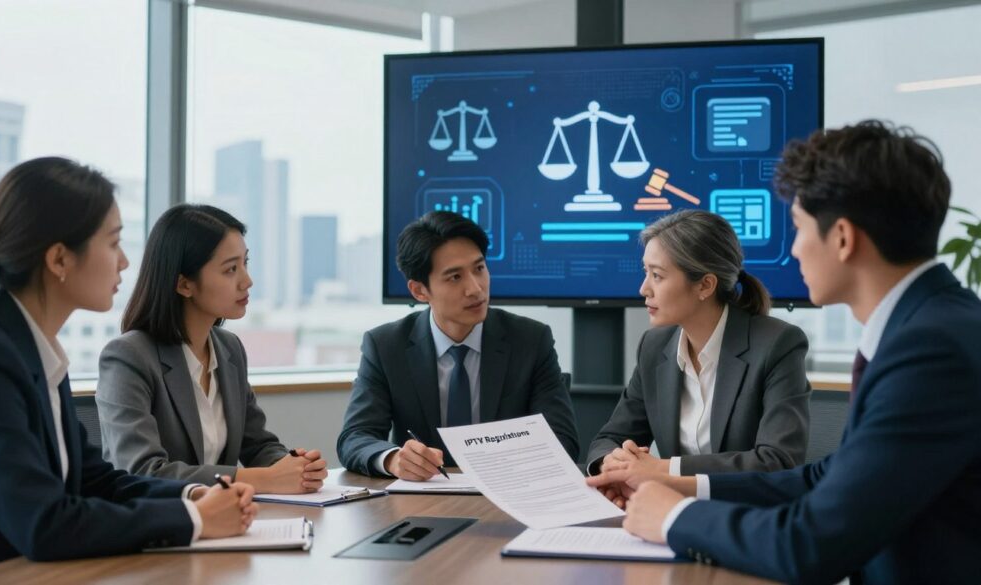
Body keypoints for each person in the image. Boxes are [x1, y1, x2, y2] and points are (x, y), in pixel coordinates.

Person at [588, 120, 981, 584]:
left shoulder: (931, 350)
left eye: (797, 227)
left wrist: (674, 518)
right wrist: (676, 483)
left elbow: (813, 543)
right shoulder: (931, 326)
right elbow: (823, 479)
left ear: (842, 237)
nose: (793, 249)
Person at [0, 158, 257, 574]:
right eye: (114, 243)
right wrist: (196, 521)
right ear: (60, 260)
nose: (125, 263)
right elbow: (44, 523)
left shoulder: (36, 353)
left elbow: (96, 481)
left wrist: (192, 497)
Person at [586, 210, 810, 508]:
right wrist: (612, 465)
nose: (643, 289)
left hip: (749, 521)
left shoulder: (777, 344)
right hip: (670, 516)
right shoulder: (654, 346)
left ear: (705, 285)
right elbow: (610, 437)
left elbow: (778, 462)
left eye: (657, 275)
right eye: (645, 272)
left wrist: (664, 470)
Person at [96, 204, 327, 493]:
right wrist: (266, 480)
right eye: (231, 269)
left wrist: (295, 468)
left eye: (245, 263)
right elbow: (143, 472)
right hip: (158, 527)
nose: (247, 280)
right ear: (184, 284)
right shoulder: (128, 357)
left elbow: (257, 445)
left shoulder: (229, 349)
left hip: (223, 523)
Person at [337, 211, 579, 479]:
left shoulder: (531, 340)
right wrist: (394, 459)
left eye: (479, 268)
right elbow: (355, 437)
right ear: (419, 290)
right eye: (455, 277)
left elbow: (562, 441)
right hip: (424, 502)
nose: (475, 288)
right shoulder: (385, 346)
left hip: (510, 493)